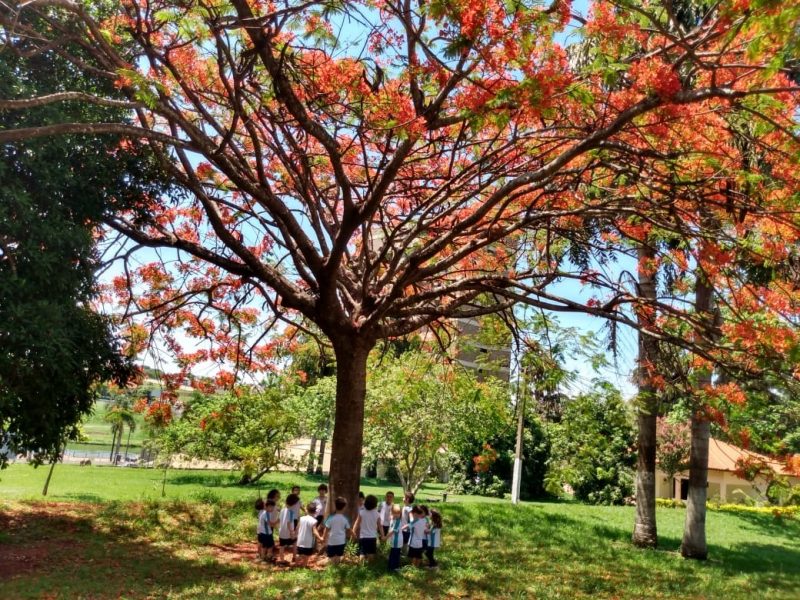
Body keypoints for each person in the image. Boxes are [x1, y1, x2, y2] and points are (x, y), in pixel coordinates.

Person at [323, 497, 351, 565]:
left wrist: (323, 538)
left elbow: (326, 529)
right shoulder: (345, 518)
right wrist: (353, 535)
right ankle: (336, 568)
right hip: (341, 541)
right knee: (338, 556)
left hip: (332, 541)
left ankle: (332, 569)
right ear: (344, 507)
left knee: (331, 557)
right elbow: (348, 529)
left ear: (335, 506)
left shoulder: (330, 518)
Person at [295, 502, 324, 567]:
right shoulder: (314, 521)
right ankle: (304, 566)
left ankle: (296, 565)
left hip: (300, 540)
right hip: (308, 542)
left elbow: (297, 527)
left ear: (307, 510)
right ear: (315, 512)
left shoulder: (302, 518)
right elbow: (314, 531)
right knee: (306, 555)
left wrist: (295, 535)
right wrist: (320, 538)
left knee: (299, 553)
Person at [353, 494, 381, 562]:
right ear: (375, 504)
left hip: (363, 537)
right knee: (371, 553)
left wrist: (353, 532)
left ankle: (362, 566)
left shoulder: (362, 512)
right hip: (372, 537)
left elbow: (356, 523)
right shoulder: (377, 513)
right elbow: (380, 526)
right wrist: (382, 535)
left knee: (362, 552)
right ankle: (370, 566)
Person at [277, 493, 300, 563]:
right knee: (295, 543)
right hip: (289, 533)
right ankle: (294, 557)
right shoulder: (291, 512)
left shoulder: (282, 510)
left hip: (282, 532)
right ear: (294, 504)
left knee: (282, 546)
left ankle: (282, 559)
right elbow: (289, 523)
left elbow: (279, 520)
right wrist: (292, 533)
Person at [383, 504, 404, 572]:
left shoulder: (397, 521)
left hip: (397, 541)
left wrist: (386, 537)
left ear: (400, 514)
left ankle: (393, 567)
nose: (396, 515)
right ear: (392, 513)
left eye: (398, 513)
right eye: (394, 513)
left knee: (395, 554)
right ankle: (393, 567)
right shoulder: (393, 519)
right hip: (394, 541)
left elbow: (392, 531)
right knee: (394, 554)